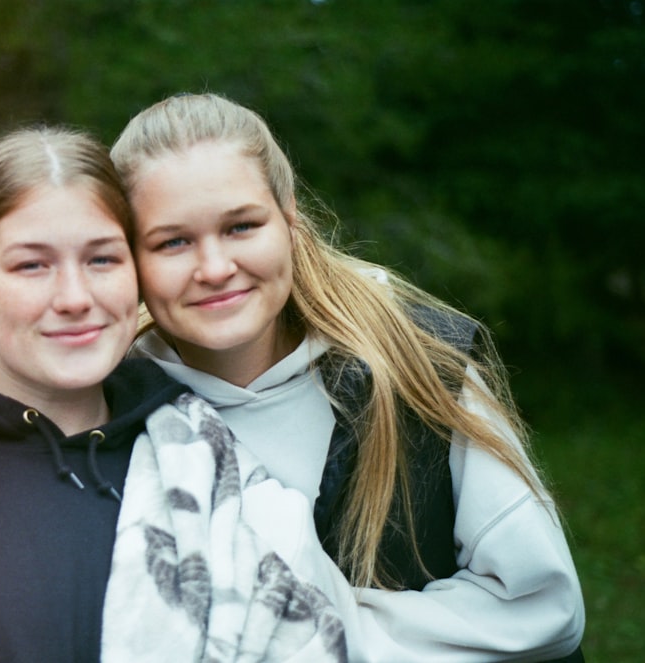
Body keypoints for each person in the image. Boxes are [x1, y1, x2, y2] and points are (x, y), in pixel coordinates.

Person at [0, 126, 346, 662]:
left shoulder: (222, 477)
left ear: (136, 274)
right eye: (31, 265)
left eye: (101, 259)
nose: (74, 296)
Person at [109, 92, 585, 662]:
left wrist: (306, 636)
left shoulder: (420, 363)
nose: (214, 268)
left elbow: (543, 606)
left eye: (241, 227)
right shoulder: (106, 410)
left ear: (289, 220)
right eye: (173, 242)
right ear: (128, 256)